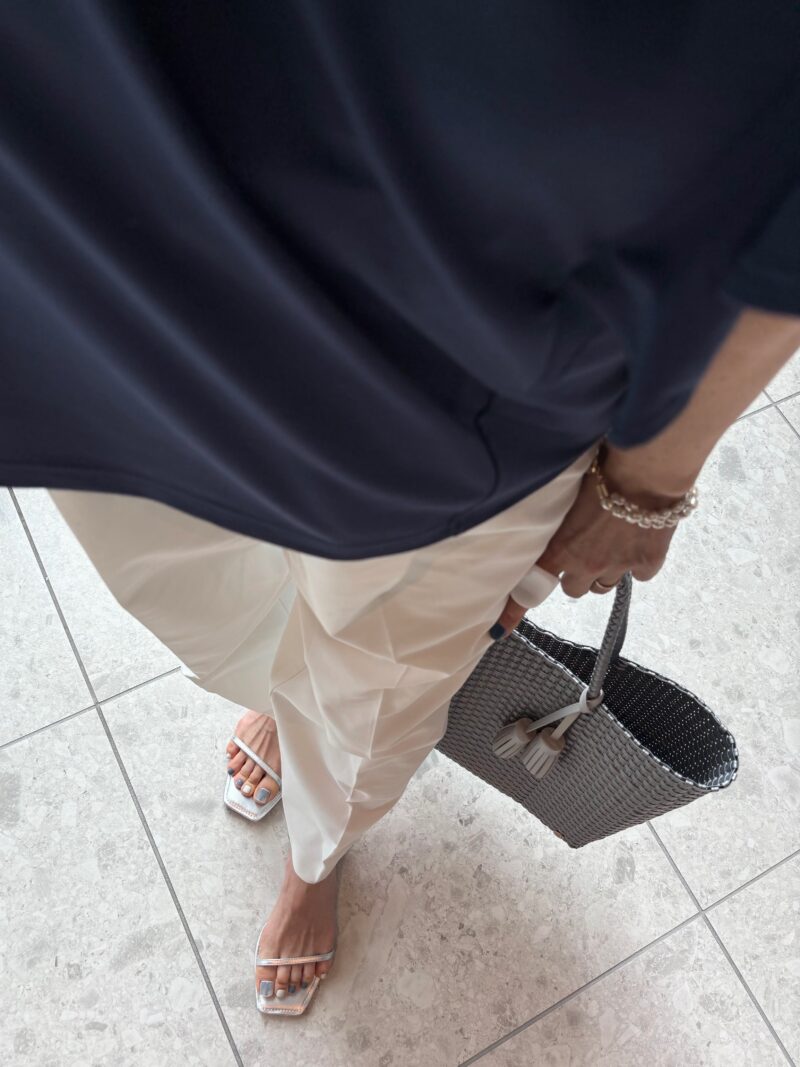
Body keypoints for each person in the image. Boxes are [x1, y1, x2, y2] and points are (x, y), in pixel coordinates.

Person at [2, 2, 799, 1017]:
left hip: (444, 384)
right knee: (200, 592)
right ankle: (286, 699)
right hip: (102, 281)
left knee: (378, 684)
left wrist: (643, 488)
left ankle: (318, 849)